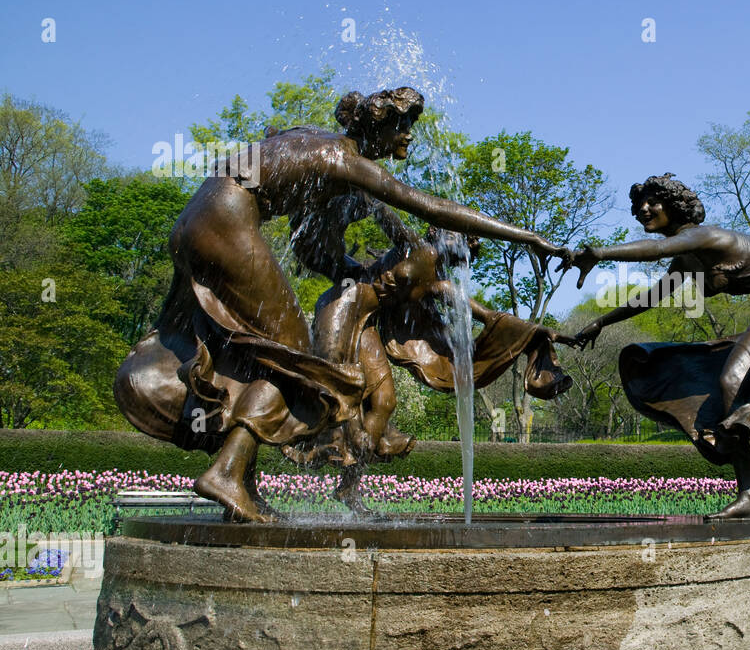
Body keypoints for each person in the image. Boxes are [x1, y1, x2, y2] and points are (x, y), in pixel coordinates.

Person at [114, 87, 569, 522]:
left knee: (255, 350)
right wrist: (529, 238)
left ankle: (240, 479)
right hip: (227, 221)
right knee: (298, 364)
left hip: (196, 217)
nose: (410, 135)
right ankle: (226, 474)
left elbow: (311, 242)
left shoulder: (316, 143)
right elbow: (428, 207)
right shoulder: (345, 159)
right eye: (405, 125)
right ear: (382, 126)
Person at [566, 173, 750, 518]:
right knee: (729, 384)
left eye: (653, 202)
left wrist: (599, 253)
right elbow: (653, 296)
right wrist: (603, 321)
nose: (643, 209)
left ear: (674, 206)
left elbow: (655, 249)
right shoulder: (686, 258)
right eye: (639, 205)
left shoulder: (704, 236)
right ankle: (749, 497)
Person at [286, 220, 577, 512]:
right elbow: (384, 214)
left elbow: (489, 316)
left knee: (385, 402)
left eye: (462, 233)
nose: (455, 234)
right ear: (433, 231)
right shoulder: (412, 245)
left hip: (366, 324)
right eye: (449, 228)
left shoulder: (439, 283)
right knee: (339, 394)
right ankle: (312, 439)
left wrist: (541, 333)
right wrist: (367, 195)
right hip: (341, 308)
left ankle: (348, 486)